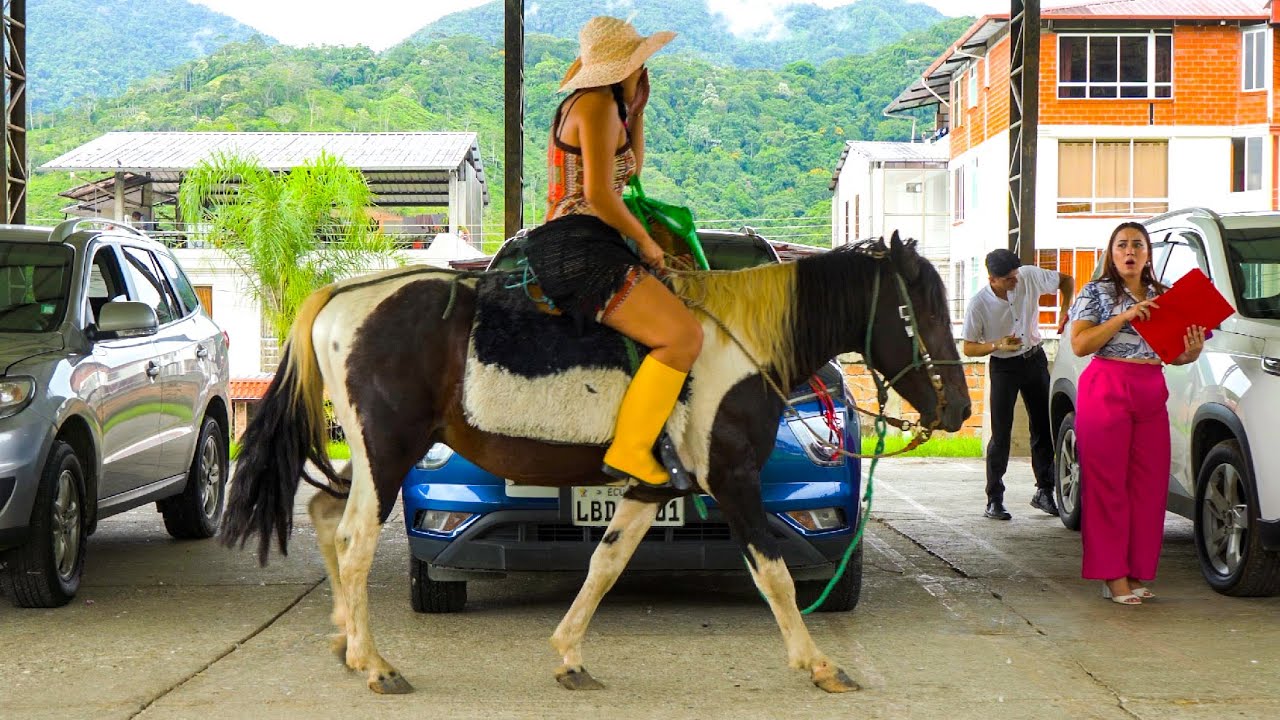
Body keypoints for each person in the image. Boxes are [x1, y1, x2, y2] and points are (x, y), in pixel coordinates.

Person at [524, 16, 701, 489]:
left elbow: (630, 170)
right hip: (579, 243)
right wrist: (646, 242)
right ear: (622, 68)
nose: (644, 71)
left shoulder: (603, 106)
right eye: (639, 63)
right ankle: (630, 451)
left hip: (584, 239)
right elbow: (601, 195)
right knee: (683, 337)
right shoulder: (598, 104)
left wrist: (637, 111)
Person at [1067, 222, 1205, 605]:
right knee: (1107, 485)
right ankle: (1112, 576)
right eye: (1122, 245)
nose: (1130, 251)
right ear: (1111, 252)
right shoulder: (1095, 292)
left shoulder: (1165, 295)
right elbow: (1080, 344)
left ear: (1148, 253)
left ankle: (1135, 571)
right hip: (1106, 387)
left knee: (1148, 486)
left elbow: (1174, 355)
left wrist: (1191, 352)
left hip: (1150, 389)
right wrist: (1124, 317)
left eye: (1138, 245)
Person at [962, 249, 1074, 520]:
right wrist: (997, 344)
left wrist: (1064, 308)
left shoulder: (1028, 276)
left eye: (1016, 275)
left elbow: (1067, 280)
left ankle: (1044, 491)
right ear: (992, 279)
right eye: (1009, 279)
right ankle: (994, 499)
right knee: (1001, 434)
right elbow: (968, 347)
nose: (1016, 281)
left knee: (1043, 427)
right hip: (1003, 367)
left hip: (1034, 359)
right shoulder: (979, 304)